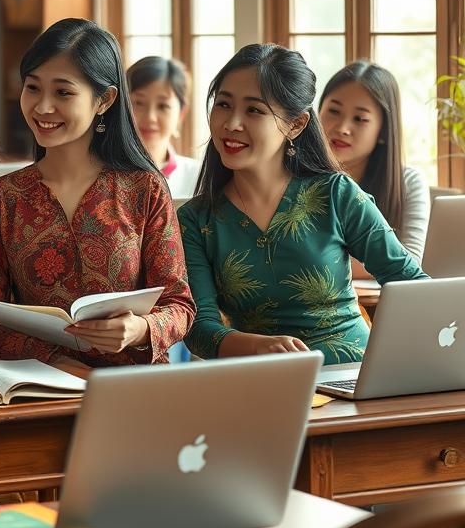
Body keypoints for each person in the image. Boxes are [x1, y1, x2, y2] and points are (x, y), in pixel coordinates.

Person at [179, 44, 427, 365]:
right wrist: (257, 347)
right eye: (224, 104)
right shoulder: (195, 221)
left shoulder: (336, 193)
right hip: (261, 381)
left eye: (254, 110)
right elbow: (199, 328)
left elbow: (409, 282)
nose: (232, 123)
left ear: (295, 124)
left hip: (355, 374)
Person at [0, 19, 194, 375]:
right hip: (40, 385)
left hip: (134, 386)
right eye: (33, 88)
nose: (42, 107)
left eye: (63, 92)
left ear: (104, 100)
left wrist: (139, 329)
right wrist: (56, 362)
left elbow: (179, 305)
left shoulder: (145, 190)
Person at [319, 60, 430, 265]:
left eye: (360, 119)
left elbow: (408, 263)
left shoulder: (407, 183)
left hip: (384, 298)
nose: (343, 128)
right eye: (334, 111)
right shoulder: (291, 174)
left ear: (383, 131)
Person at [126, 55, 200, 198]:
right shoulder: (99, 174)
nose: (150, 117)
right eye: (138, 103)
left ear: (181, 114)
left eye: (163, 106)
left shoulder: (197, 178)